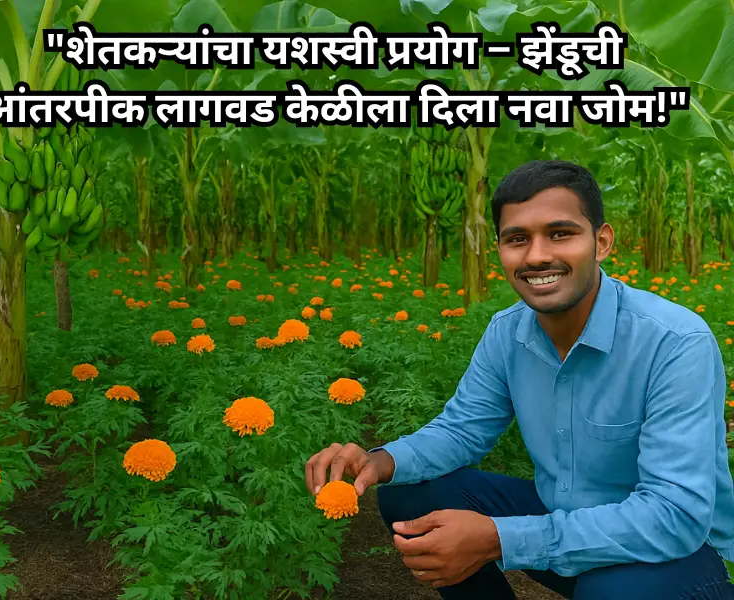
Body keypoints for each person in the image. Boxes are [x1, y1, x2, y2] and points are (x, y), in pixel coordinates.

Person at [304, 160, 734, 599]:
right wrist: (380, 461)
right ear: (500, 251)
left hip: (677, 557)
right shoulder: (508, 332)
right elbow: (462, 429)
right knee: (410, 493)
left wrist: (499, 537)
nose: (537, 256)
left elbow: (675, 515)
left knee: (616, 590)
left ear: (601, 242)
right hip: (562, 522)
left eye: (561, 233)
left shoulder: (675, 342)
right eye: (517, 239)